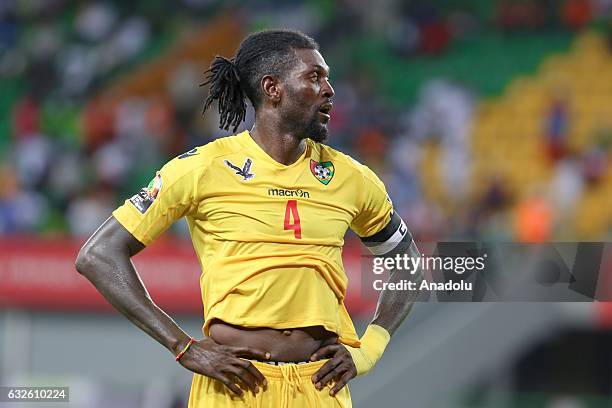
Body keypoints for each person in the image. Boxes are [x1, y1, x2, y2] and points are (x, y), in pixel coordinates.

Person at [76, 29, 421, 407]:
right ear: (272, 88)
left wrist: (369, 349)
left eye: (327, 77)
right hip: (236, 386)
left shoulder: (353, 178)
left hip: (320, 388)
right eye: (314, 77)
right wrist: (183, 347)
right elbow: (98, 254)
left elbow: (409, 265)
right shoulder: (202, 168)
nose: (329, 89)